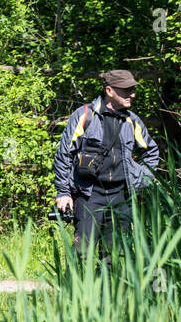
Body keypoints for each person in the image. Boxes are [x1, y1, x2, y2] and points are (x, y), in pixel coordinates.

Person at [53, 69, 160, 257]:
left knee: (115, 256)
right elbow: (64, 154)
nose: (132, 94)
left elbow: (151, 152)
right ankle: (76, 287)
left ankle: (108, 288)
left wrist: (139, 182)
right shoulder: (85, 115)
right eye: (126, 90)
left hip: (121, 196)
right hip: (89, 194)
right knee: (82, 253)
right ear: (110, 91)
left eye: (132, 89)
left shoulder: (132, 121)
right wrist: (63, 192)